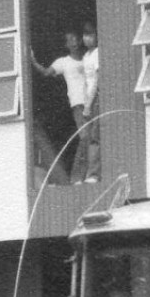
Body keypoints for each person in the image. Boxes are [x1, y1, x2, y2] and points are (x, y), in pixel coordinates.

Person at [30, 29, 87, 183]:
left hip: (93, 100)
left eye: (76, 39)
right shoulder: (63, 62)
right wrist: (33, 61)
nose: (74, 42)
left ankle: (86, 175)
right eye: (70, 40)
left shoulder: (88, 57)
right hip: (78, 103)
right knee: (85, 137)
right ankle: (77, 176)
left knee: (92, 138)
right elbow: (47, 72)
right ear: (66, 45)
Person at [80, 21, 101, 185]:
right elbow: (86, 82)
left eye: (90, 35)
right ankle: (86, 174)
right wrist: (84, 101)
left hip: (96, 99)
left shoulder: (97, 54)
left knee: (94, 137)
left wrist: (89, 104)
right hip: (88, 100)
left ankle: (93, 174)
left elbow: (96, 80)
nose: (87, 39)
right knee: (86, 137)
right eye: (85, 35)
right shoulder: (85, 57)